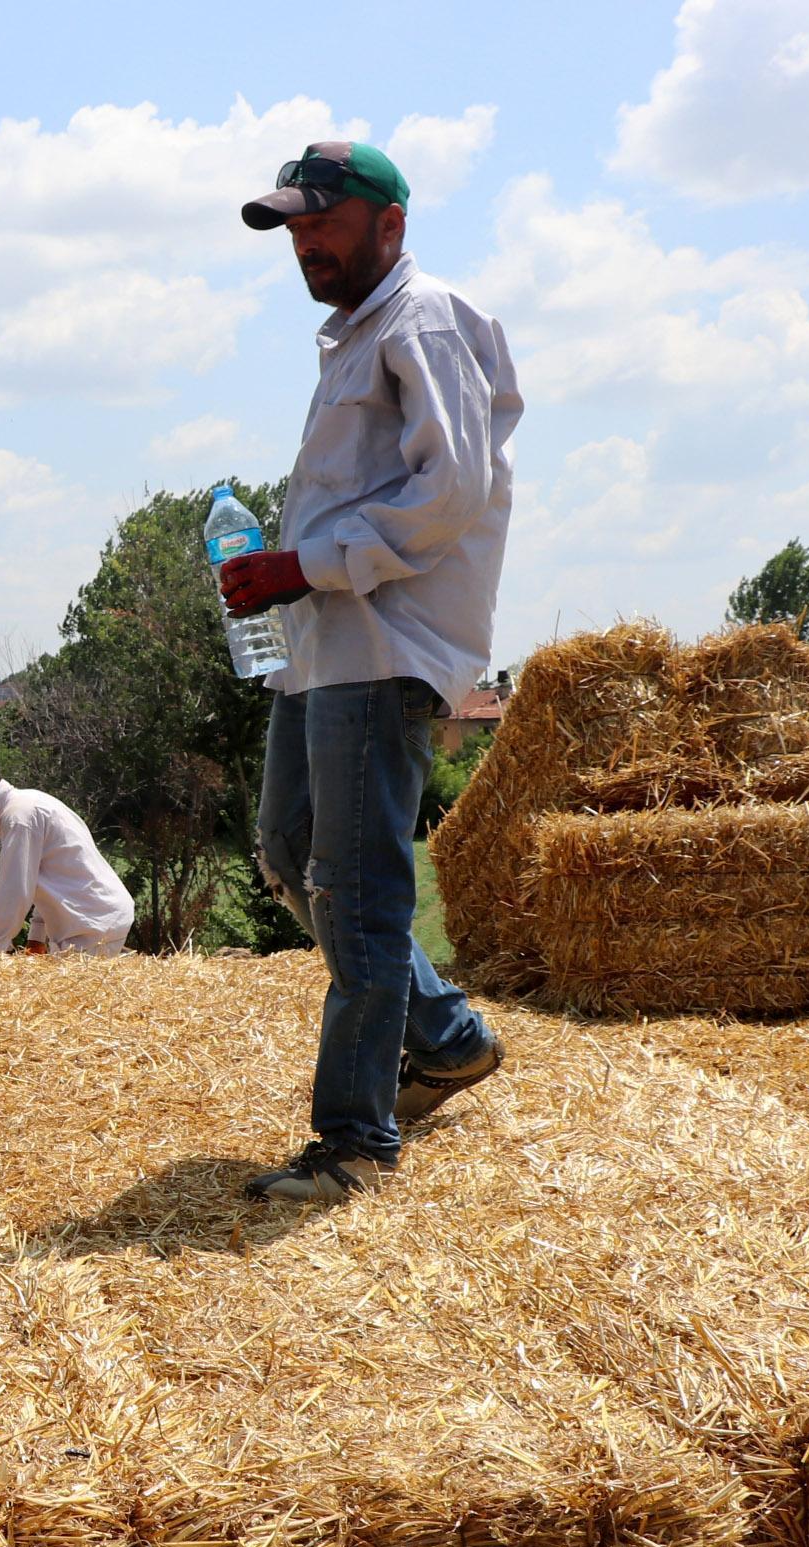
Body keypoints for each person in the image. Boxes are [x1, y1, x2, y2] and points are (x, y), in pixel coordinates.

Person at [214, 140, 520, 1207]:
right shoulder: (356, 336)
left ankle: (353, 1142)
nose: (306, 239)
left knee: (361, 884)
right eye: (294, 224)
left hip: (385, 645)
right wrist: (287, 575)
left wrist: (303, 563)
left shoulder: (422, 321)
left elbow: (455, 491)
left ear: (390, 224)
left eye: (324, 220)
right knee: (292, 849)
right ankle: (446, 1036)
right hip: (325, 645)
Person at [0, 747, 133, 958]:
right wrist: (37, 938)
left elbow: (14, 890)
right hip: (99, 918)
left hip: (90, 927)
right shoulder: (29, 803)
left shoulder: (18, 817)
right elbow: (50, 875)